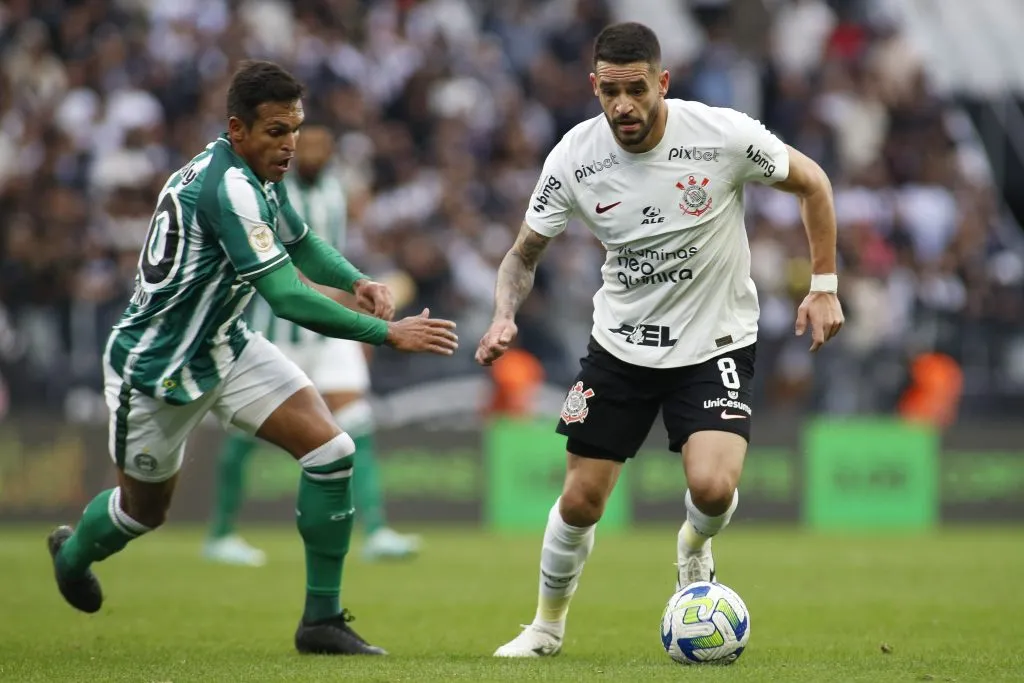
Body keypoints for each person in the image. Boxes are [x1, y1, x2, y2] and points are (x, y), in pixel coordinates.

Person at [46, 60, 459, 656]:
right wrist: (385, 333)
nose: (289, 144)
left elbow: (301, 243)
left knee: (332, 450)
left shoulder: (257, 174)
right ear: (237, 128)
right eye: (276, 131)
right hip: (158, 368)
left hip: (225, 345)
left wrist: (357, 277)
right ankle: (74, 554)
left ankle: (320, 621)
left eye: (295, 128)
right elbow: (288, 295)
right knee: (142, 513)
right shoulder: (228, 188)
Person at [476, 23, 844, 658]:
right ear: (594, 86)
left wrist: (825, 284)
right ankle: (546, 626)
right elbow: (522, 254)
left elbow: (813, 183)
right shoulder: (574, 157)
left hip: (716, 340)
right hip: (621, 344)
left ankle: (694, 548)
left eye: (636, 89)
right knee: (582, 499)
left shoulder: (722, 135)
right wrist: (504, 313)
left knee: (711, 488)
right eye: (610, 91)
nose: (623, 105)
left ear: (661, 82)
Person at [203, 122, 421, 566]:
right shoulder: (270, 191)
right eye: (310, 144)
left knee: (357, 421)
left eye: (324, 145)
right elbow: (285, 269)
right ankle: (221, 532)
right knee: (244, 433)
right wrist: (343, 301)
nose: (315, 152)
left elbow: (327, 248)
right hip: (281, 328)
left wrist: (358, 286)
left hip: (330, 335)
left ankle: (376, 530)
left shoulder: (335, 191)